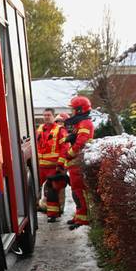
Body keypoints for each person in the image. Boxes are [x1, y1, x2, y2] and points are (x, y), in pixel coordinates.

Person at [57, 96, 95, 229]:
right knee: (75, 190)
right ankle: (79, 215)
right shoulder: (80, 123)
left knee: (79, 191)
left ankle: (83, 218)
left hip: (77, 161)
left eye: (73, 109)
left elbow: (81, 142)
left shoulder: (85, 123)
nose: (71, 112)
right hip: (75, 162)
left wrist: (69, 154)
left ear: (79, 110)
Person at [34, 108, 67, 222]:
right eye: (45, 115)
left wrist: (60, 164)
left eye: (49, 115)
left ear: (53, 116)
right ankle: (41, 208)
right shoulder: (39, 129)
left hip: (53, 166)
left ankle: (52, 214)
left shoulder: (60, 130)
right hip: (40, 166)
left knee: (52, 190)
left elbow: (65, 147)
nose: (46, 117)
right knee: (37, 190)